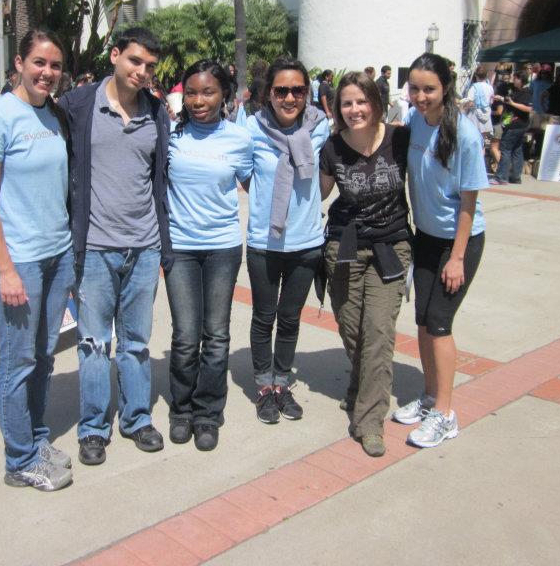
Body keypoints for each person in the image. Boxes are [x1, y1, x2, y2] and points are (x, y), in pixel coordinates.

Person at [57, 27, 172, 467]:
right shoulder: (78, 106)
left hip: (143, 247)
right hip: (95, 249)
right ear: (115, 56)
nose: (142, 72)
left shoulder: (157, 112)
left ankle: (137, 418)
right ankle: (92, 428)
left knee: (137, 341)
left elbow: (159, 177)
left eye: (149, 66)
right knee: (92, 342)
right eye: (134, 62)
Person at [0, 28, 74, 492]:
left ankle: (34, 438)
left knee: (44, 356)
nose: (47, 73)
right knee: (17, 362)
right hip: (22, 263)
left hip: (58, 255)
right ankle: (19, 459)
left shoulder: (54, 116)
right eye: (39, 63)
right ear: (19, 62)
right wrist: (6, 269)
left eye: (54, 66)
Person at [393, 53, 487, 449]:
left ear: (445, 88)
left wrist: (457, 258)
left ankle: (445, 414)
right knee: (422, 321)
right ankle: (430, 395)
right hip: (426, 236)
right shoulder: (415, 120)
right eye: (414, 88)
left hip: (458, 240)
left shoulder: (464, 134)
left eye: (428, 89)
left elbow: (469, 202)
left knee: (440, 322)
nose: (420, 96)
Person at [319, 71, 411, 457]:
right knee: (352, 329)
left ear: (375, 101)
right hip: (344, 245)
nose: (354, 109)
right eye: (346, 103)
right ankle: (359, 385)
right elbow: (317, 194)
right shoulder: (332, 147)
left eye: (361, 101)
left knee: (378, 331)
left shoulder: (400, 139)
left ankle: (370, 421)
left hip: (391, 245)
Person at [165, 60, 253, 451]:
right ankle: (181, 409)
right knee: (185, 336)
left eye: (209, 92)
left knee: (215, 335)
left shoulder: (239, 139)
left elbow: (255, 185)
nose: (199, 100)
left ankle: (207, 412)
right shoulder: (169, 134)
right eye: (192, 92)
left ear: (224, 95)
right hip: (180, 247)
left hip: (222, 247)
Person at [245, 56, 329, 424]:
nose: (290, 97)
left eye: (298, 90)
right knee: (264, 317)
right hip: (265, 244)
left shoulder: (320, 127)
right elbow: (246, 178)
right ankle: (264, 387)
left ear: (307, 93)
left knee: (291, 318)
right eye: (282, 90)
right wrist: (269, 205)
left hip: (307, 244)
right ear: (269, 93)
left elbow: (328, 175)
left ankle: (282, 383)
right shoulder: (251, 127)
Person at [491, 69, 532, 185]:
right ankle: (515, 176)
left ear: (521, 80)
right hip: (514, 124)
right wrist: (502, 99)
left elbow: (528, 108)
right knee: (517, 150)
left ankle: (501, 177)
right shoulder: (516, 91)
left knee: (505, 149)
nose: (513, 80)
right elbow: (510, 101)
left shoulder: (526, 92)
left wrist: (512, 104)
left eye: (516, 78)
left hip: (517, 125)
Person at [461, 65, 494, 154]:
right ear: (486, 75)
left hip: (475, 117)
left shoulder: (474, 87)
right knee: (484, 141)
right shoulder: (490, 87)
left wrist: (462, 104)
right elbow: (491, 101)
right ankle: (483, 160)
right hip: (487, 116)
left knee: (474, 139)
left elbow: (469, 100)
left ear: (476, 75)